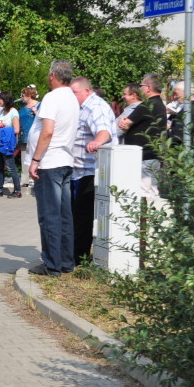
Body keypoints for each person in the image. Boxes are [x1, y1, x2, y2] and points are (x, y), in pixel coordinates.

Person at [27, 60, 80, 277]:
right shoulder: (72, 97)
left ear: (53, 76)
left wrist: (35, 159)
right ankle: (66, 261)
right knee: (64, 215)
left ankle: (52, 264)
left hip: (49, 163)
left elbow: (47, 131)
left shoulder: (52, 97)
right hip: (65, 160)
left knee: (49, 215)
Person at [69, 76, 115, 266]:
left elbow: (104, 131)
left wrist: (97, 141)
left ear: (87, 91)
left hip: (90, 171)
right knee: (77, 215)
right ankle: (75, 253)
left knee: (83, 216)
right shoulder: (82, 107)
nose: (72, 96)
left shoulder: (95, 106)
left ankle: (79, 257)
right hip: (79, 170)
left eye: (75, 93)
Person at [119, 73, 168, 199]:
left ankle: (145, 213)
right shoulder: (160, 104)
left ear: (148, 88)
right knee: (153, 193)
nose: (140, 88)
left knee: (143, 194)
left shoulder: (147, 105)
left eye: (141, 85)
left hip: (144, 157)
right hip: (154, 155)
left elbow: (125, 123)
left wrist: (125, 122)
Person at [0, 91, 22, 198]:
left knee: (11, 167)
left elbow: (16, 129)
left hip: (8, 144)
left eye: (0, 99)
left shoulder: (13, 112)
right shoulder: (1, 112)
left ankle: (17, 190)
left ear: (6, 100)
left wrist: (3, 129)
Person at [19, 85, 39, 185]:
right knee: (24, 159)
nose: (21, 97)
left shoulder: (40, 105)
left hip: (36, 137)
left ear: (29, 96)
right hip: (24, 136)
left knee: (37, 158)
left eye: (23, 95)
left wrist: (36, 112)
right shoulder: (23, 108)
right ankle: (24, 180)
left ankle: (38, 179)